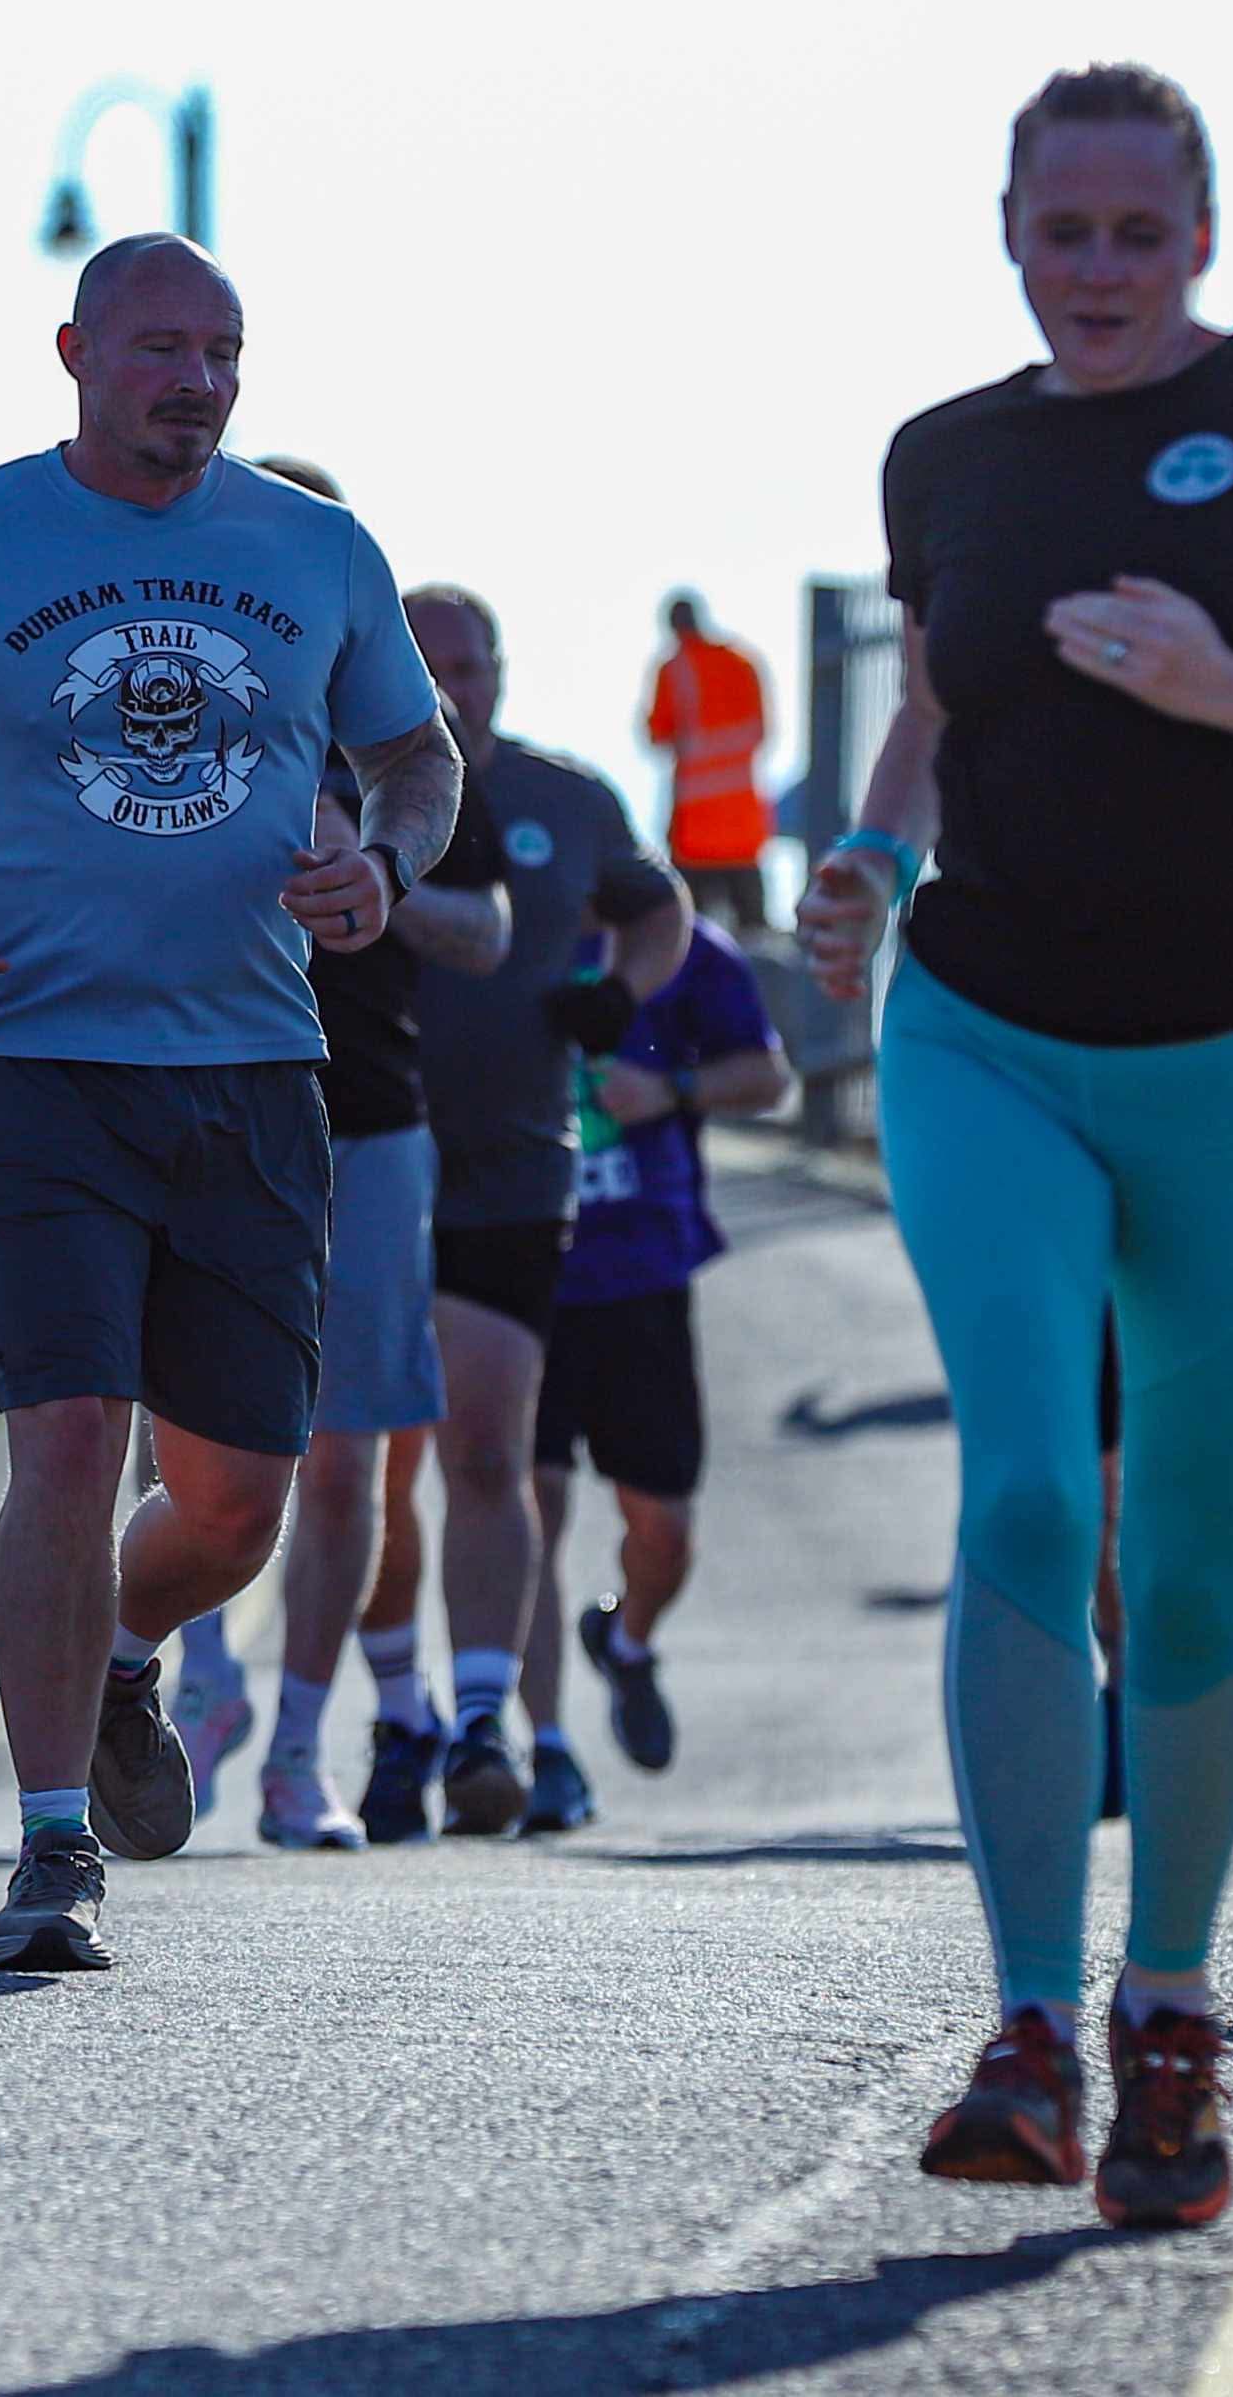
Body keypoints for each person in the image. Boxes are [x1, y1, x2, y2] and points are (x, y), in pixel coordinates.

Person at [798, 62, 1233, 2232]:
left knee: (1186, 1546)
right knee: (1015, 1482)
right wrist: (865, 857)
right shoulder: (951, 455)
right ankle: (1025, 2027)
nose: (1095, 268)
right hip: (981, 1026)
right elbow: (931, 694)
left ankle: (1165, 2009)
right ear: (1006, 232)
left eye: (1133, 231)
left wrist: (1214, 685)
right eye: (1057, 229)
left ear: (1197, 232)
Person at [0, 234, 459, 1969]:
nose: (193, 381)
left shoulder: (317, 546)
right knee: (65, 1430)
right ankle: (53, 1847)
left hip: (257, 1069)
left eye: (221, 350)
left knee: (235, 1505)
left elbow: (416, 759)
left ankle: (115, 1648)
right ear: (74, 351)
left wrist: (383, 855)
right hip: (31, 1055)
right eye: (157, 349)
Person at [174, 455, 516, 1854]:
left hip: (367, 1116)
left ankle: (300, 1752)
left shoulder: (388, 723)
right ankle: (196, 1687)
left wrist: (371, 875)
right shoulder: (164, 695)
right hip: (187, 1091)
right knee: (179, 1423)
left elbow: (486, 925)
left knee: (352, 1452)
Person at [399, 584, 689, 1840]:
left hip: (516, 1164)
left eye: (473, 663)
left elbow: (658, 904)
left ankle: (485, 1724)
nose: (457, 686)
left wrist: (618, 998)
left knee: (490, 1453)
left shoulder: (564, 799)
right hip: (354, 1157)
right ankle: (380, 1709)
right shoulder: (328, 786)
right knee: (350, 1465)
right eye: (430, 666)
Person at [526, 909, 794, 1817]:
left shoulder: (687, 951)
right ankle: (543, 1752)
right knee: (533, 1517)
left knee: (664, 1528)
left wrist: (671, 1087)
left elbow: (767, 1076)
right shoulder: (515, 938)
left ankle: (627, 1642)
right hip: (518, 1269)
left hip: (641, 1272)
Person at [646, 591, 778, 932]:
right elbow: (762, 731)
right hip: (742, 828)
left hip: (695, 833)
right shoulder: (742, 662)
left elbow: (657, 734)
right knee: (754, 934)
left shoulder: (674, 669)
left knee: (692, 936)